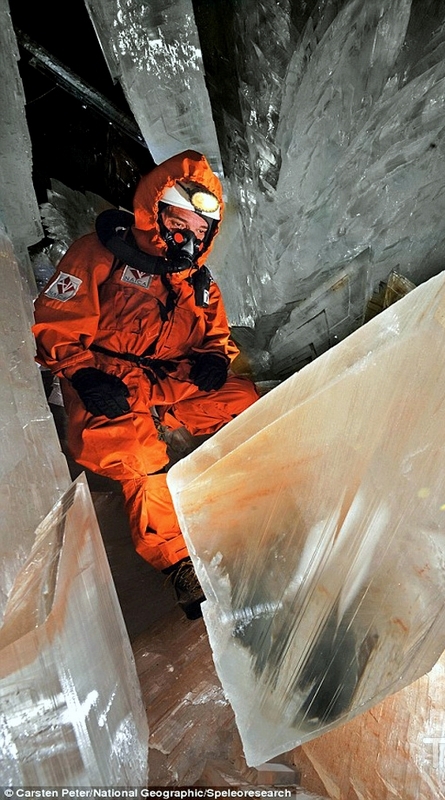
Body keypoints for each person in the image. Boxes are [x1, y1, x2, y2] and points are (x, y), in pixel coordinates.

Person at [33, 150, 259, 619]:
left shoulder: (197, 282)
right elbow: (56, 322)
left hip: (170, 385)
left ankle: (260, 497)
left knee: (245, 399)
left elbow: (218, 336)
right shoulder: (98, 255)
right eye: (183, 223)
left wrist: (216, 360)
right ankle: (177, 563)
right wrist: (82, 374)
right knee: (138, 456)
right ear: (155, 211)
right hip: (109, 382)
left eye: (201, 231)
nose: (190, 238)